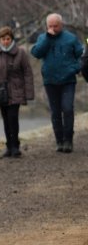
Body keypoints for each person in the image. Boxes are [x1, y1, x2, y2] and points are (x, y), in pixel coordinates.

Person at [30, 13, 84, 153]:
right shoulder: (43, 38)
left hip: (68, 80)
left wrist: (74, 69)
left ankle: (68, 140)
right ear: (46, 26)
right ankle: (59, 141)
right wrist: (48, 38)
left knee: (67, 108)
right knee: (55, 112)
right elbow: (36, 53)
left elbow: (82, 57)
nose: (53, 28)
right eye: (50, 26)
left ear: (61, 25)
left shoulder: (71, 38)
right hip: (50, 80)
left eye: (56, 26)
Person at [0, 26, 35, 158]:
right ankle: (8, 146)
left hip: (16, 90)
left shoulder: (21, 53)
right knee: (5, 120)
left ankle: (15, 146)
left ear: (11, 39)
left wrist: (29, 93)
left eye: (8, 39)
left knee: (13, 118)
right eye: (3, 39)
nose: (5, 42)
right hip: (1, 92)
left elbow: (28, 73)